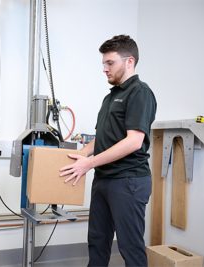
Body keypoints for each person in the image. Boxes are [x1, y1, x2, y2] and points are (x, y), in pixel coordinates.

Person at [59, 35, 157, 267]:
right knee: (97, 241)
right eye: (103, 63)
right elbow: (102, 139)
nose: (104, 69)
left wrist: (88, 164)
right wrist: (82, 155)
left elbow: (133, 141)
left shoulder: (140, 93)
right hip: (104, 179)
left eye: (110, 63)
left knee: (130, 247)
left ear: (129, 61)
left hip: (128, 180)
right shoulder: (110, 97)